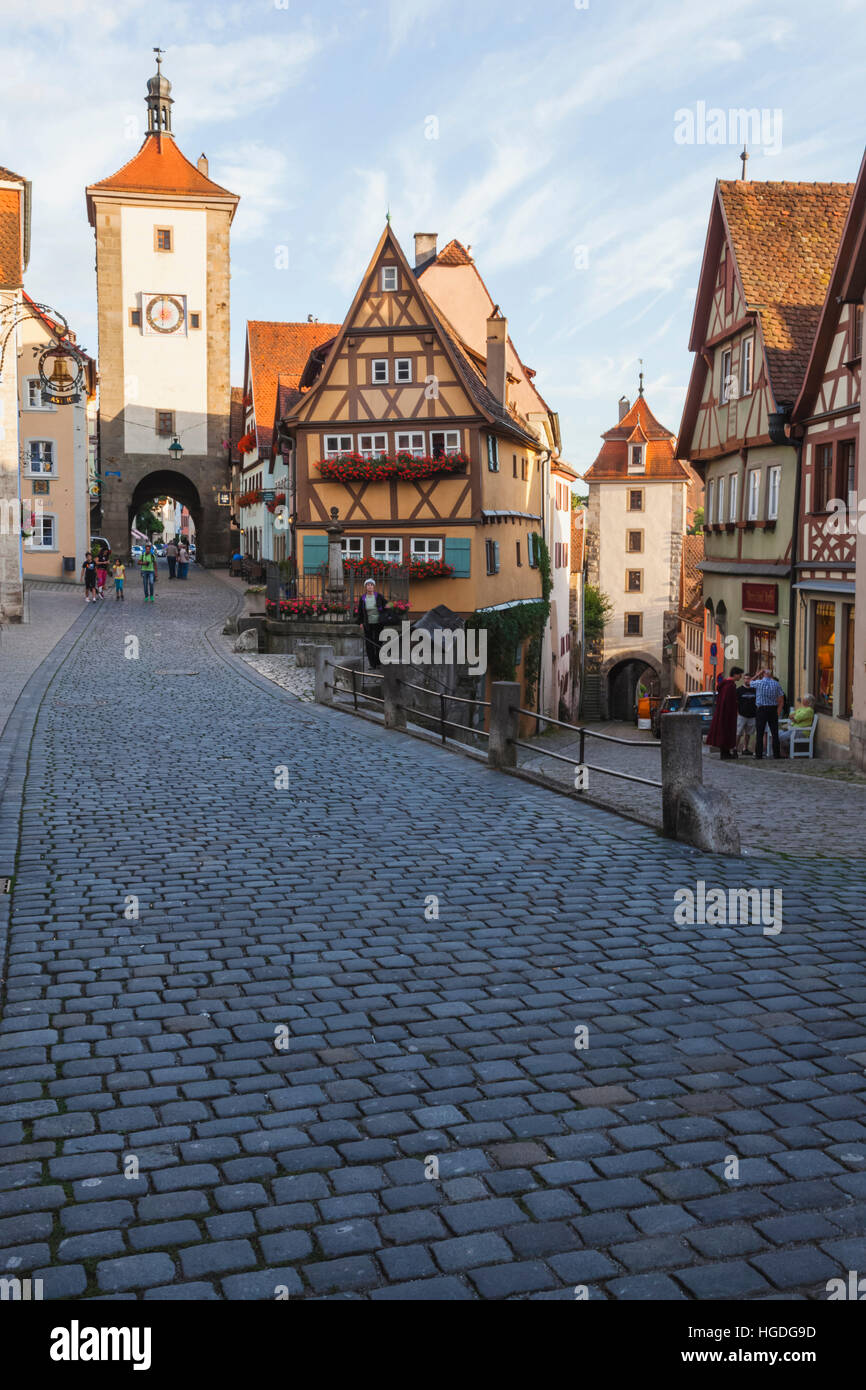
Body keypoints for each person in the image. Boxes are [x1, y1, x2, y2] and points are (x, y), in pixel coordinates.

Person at [708, 664, 742, 759]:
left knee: (725, 732)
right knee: (726, 732)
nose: (740, 677)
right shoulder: (730, 685)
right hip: (727, 714)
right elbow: (727, 701)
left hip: (725, 713)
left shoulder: (726, 684)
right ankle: (725, 753)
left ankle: (726, 752)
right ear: (735, 674)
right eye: (739, 675)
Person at [753, 667, 785, 760]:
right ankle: (776, 754)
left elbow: (749, 682)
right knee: (775, 733)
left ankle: (759, 755)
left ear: (763, 674)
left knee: (760, 732)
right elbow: (781, 698)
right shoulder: (776, 684)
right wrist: (778, 712)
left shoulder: (759, 683)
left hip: (761, 709)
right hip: (772, 709)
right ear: (771, 674)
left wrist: (757, 674)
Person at [356, 577, 387, 668]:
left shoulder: (379, 596)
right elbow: (360, 611)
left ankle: (378, 662)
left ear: (374, 586)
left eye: (371, 585)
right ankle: (372, 664)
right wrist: (361, 622)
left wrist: (386, 613)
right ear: (365, 587)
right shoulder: (363, 598)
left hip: (378, 623)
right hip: (367, 624)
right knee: (369, 644)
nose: (370, 586)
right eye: (368, 585)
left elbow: (386, 605)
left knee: (378, 642)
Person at [736, 673, 757, 756]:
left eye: (748, 678)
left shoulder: (754, 689)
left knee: (748, 733)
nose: (747, 680)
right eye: (745, 678)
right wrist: (737, 713)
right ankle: (735, 748)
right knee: (738, 733)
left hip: (752, 715)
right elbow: (735, 702)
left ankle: (745, 748)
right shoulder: (739, 690)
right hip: (741, 715)